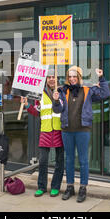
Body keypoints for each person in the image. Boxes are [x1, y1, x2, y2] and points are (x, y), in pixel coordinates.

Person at [52, 66, 110, 202]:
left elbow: (105, 94)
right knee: (69, 160)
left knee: (83, 160)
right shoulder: (62, 90)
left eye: (74, 76)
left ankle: (83, 188)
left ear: (79, 76)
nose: (72, 79)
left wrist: (101, 78)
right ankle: (70, 187)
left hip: (82, 130)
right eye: (70, 76)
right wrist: (55, 100)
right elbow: (57, 110)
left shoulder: (87, 89)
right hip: (67, 131)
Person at [21, 69, 64, 197]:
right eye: (49, 77)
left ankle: (55, 186)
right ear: (46, 79)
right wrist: (27, 105)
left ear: (57, 79)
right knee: (43, 161)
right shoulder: (40, 94)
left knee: (59, 161)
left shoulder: (62, 92)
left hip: (59, 131)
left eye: (53, 77)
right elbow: (37, 112)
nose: (51, 79)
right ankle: (41, 186)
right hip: (45, 131)